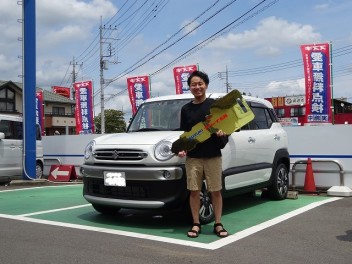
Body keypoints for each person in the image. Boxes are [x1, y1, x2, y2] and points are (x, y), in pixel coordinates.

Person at [177, 70, 229, 238]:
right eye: (193, 84)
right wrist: (182, 148)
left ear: (206, 85)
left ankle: (218, 223)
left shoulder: (214, 106)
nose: (197, 87)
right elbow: (185, 134)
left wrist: (223, 133)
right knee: (194, 191)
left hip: (213, 155)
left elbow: (226, 126)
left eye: (200, 84)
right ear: (190, 88)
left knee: (215, 191)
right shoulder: (186, 109)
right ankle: (196, 223)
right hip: (193, 158)